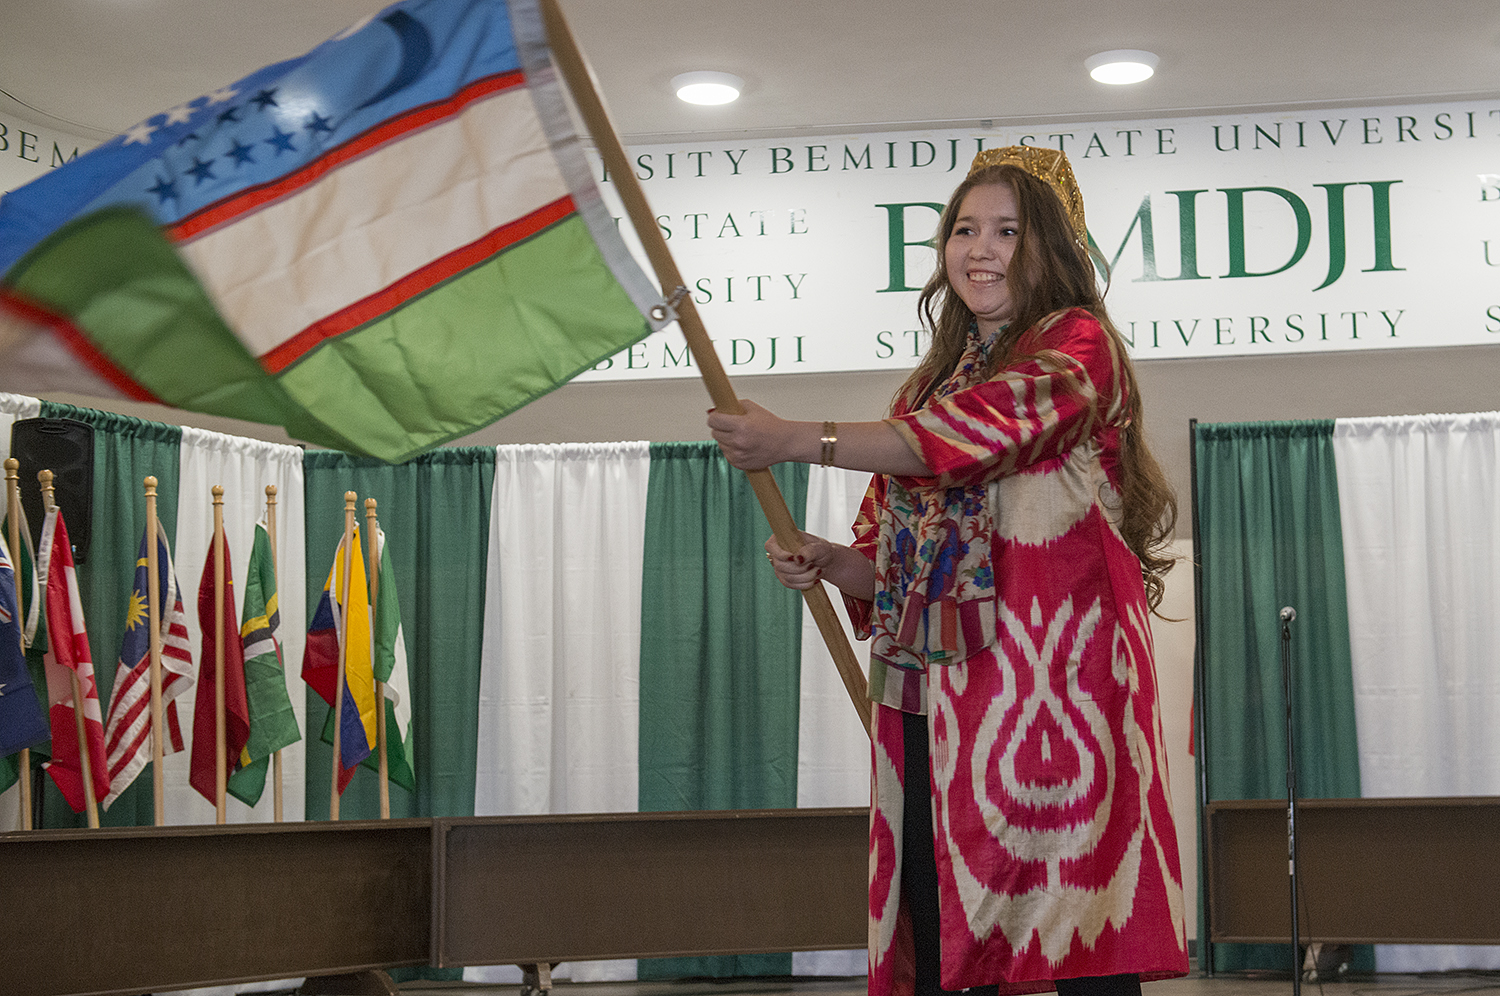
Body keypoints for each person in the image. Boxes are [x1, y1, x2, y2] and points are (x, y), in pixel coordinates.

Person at [708, 146, 1188, 996]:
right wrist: (831, 562)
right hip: (936, 702)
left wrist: (798, 440)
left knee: (1075, 926)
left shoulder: (1079, 348)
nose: (981, 248)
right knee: (940, 932)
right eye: (965, 229)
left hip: (1060, 698)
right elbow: (892, 573)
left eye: (1009, 230)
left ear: (1055, 245)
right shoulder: (924, 390)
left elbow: (975, 438)